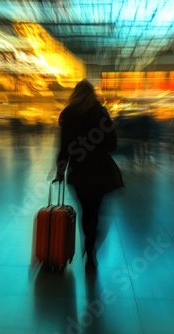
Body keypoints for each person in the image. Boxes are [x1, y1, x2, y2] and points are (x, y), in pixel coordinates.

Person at [55, 79, 123, 270]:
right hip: (101, 170)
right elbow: (112, 145)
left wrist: (60, 171)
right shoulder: (100, 112)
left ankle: (88, 246)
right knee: (96, 211)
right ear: (92, 93)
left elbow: (64, 147)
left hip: (79, 171)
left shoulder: (69, 114)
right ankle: (91, 249)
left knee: (86, 211)